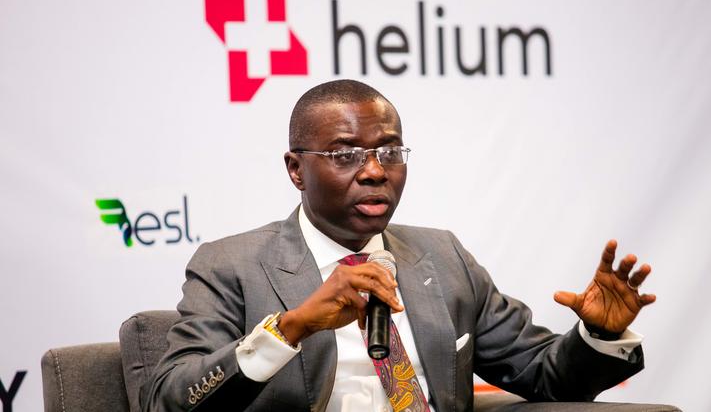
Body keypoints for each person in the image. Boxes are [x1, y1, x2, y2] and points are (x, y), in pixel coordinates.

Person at [144, 79, 656, 412]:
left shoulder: (442, 258)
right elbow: (169, 400)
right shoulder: (231, 265)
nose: (373, 171)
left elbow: (545, 377)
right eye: (345, 155)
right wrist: (293, 325)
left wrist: (595, 334)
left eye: (389, 151)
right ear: (296, 169)